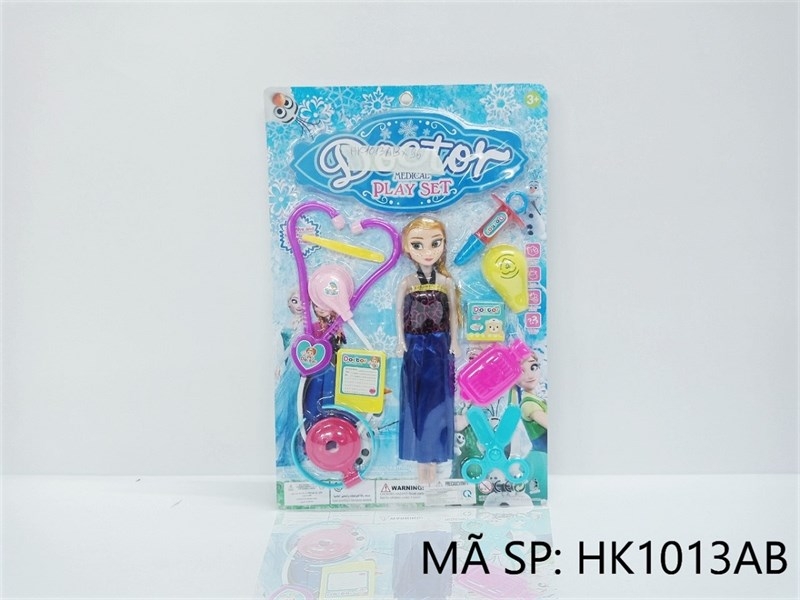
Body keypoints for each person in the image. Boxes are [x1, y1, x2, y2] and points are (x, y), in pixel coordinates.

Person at [395, 216, 461, 484]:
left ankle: (434, 461)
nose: (427, 251)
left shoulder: (446, 282)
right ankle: (421, 463)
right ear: (407, 248)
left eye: (435, 243)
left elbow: (453, 314)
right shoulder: (407, 282)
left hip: (440, 344)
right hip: (414, 345)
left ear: (443, 245)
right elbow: (399, 313)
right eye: (417, 245)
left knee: (439, 401)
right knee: (415, 401)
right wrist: (401, 341)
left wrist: (454, 341)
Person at [275, 290, 303, 467]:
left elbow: (293, 347)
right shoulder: (286, 322)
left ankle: (290, 452)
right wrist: (278, 363)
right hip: (286, 367)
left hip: (296, 368)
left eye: (302, 301)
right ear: (288, 303)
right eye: (294, 301)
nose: (299, 305)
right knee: (284, 406)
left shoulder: (304, 325)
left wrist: (280, 362)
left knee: (291, 406)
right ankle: (282, 451)